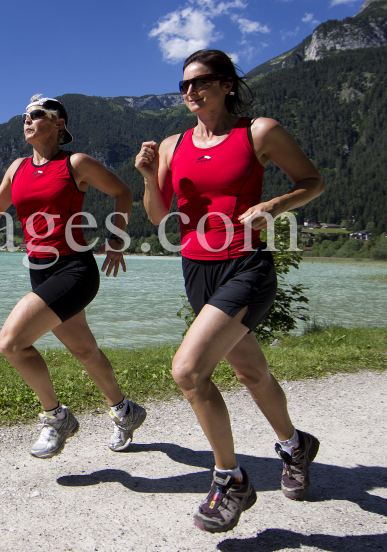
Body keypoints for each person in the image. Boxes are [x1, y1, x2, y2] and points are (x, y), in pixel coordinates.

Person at [135, 50, 325, 533]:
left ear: (226, 85)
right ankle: (295, 445)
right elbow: (158, 216)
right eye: (184, 86)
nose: (190, 92)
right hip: (197, 270)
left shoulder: (257, 132)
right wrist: (145, 174)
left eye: (199, 83)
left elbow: (312, 181)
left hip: (246, 265)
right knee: (251, 371)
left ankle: (230, 479)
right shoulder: (173, 144)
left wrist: (275, 204)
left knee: (189, 371)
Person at [0, 95, 147, 458]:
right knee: (84, 349)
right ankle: (124, 410)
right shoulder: (17, 167)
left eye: (36, 115)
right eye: (24, 116)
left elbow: (122, 192)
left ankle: (56, 418)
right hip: (39, 269)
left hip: (74, 268)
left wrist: (116, 240)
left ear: (58, 124)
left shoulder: (75, 163)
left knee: (12, 342)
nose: (27, 120)